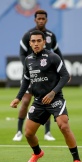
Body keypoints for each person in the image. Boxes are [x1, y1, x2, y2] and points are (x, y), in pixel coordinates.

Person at [10, 30, 82, 162]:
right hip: (39, 101)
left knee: (64, 126)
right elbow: (25, 81)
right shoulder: (28, 60)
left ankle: (77, 160)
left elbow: (65, 76)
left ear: (44, 42)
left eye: (39, 41)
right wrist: (18, 98)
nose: (36, 43)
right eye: (33, 41)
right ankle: (37, 153)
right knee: (28, 133)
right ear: (30, 43)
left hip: (55, 99)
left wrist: (52, 93)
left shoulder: (53, 57)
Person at [13, 9, 64, 141]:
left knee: (46, 99)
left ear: (46, 20)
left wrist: (62, 69)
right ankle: (19, 131)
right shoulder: (28, 35)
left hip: (46, 75)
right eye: (38, 19)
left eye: (43, 19)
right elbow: (22, 54)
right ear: (35, 19)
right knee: (25, 101)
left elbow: (58, 52)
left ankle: (47, 132)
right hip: (32, 73)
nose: (41, 21)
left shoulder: (51, 36)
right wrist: (28, 68)